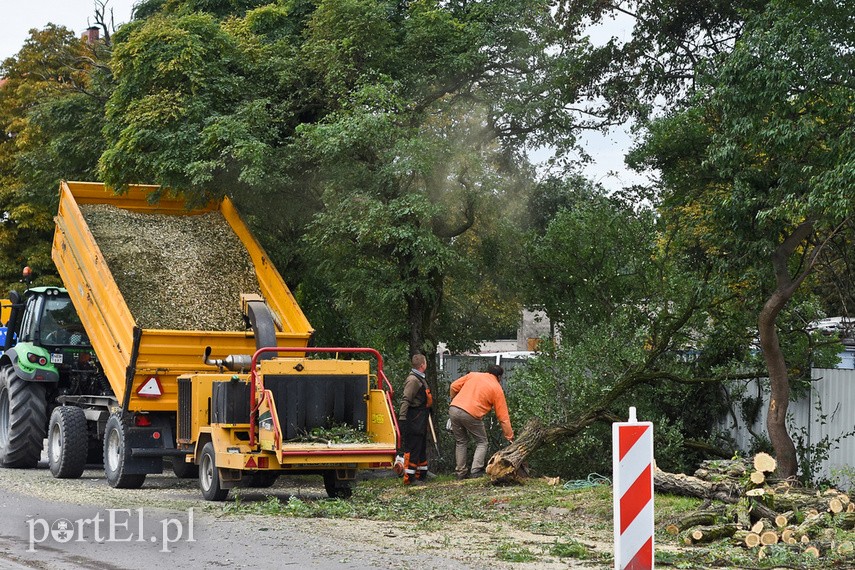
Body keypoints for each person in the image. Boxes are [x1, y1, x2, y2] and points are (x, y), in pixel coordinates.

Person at [448, 364, 513, 479]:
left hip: (453, 408)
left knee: (461, 441)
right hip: (471, 413)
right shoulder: (496, 388)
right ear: (499, 377)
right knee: (482, 442)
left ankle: (460, 472)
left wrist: (454, 400)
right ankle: (476, 470)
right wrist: (509, 436)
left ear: (487, 372)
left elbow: (453, 386)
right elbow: (503, 417)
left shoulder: (473, 375)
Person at [394, 354, 433, 485]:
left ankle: (422, 474)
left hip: (421, 417)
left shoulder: (420, 378)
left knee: (421, 446)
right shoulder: (413, 380)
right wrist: (402, 418)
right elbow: (406, 399)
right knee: (413, 447)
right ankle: (410, 478)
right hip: (414, 418)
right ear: (422, 365)